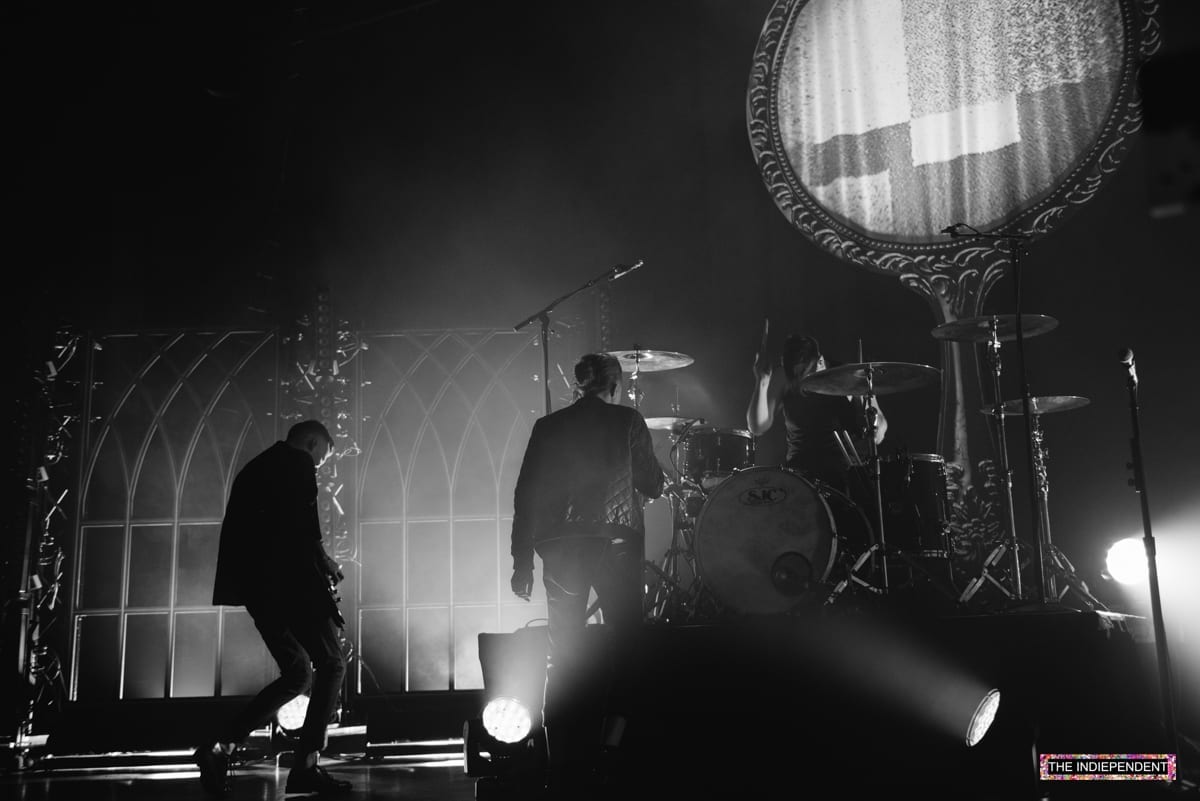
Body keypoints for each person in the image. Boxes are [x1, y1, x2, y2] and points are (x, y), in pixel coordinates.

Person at [509, 353, 665, 795]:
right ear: (615, 386)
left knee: (562, 655)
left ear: (578, 386)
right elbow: (652, 484)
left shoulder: (547, 427)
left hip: (560, 547)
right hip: (615, 543)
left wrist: (521, 562)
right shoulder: (628, 419)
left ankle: (559, 764)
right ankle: (611, 751)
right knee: (627, 646)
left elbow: (525, 494)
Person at [194, 420, 352, 797]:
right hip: (291, 585)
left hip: (259, 591)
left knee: (297, 674)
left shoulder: (256, 467)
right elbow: (303, 526)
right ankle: (306, 766)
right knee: (332, 663)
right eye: (321, 458)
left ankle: (220, 747)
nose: (318, 467)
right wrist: (324, 563)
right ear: (311, 443)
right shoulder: (298, 462)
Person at [746, 332, 886, 492]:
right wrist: (762, 382)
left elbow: (880, 430)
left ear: (820, 362)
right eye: (795, 376)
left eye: (804, 375)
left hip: (848, 471)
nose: (799, 381)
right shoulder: (783, 377)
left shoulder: (849, 375)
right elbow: (757, 427)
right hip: (802, 474)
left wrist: (875, 427)